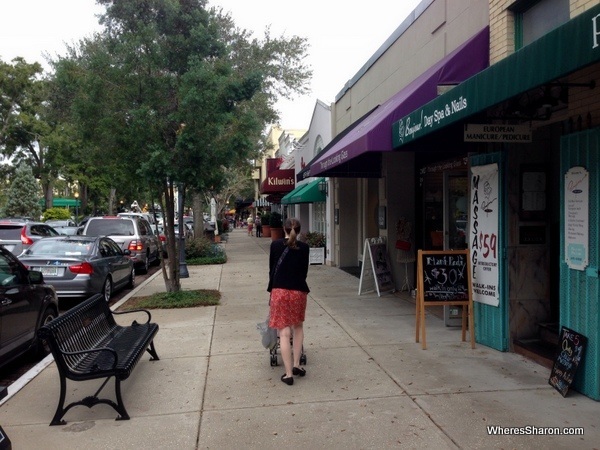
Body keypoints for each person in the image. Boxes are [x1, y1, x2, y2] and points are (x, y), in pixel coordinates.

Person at [267, 217, 310, 386]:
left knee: (284, 333)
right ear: (298, 230)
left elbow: (272, 270)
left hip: (280, 291)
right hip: (299, 291)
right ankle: (297, 364)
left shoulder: (275, 245)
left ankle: (288, 374)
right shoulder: (305, 248)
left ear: (283, 229)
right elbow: (304, 272)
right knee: (298, 327)